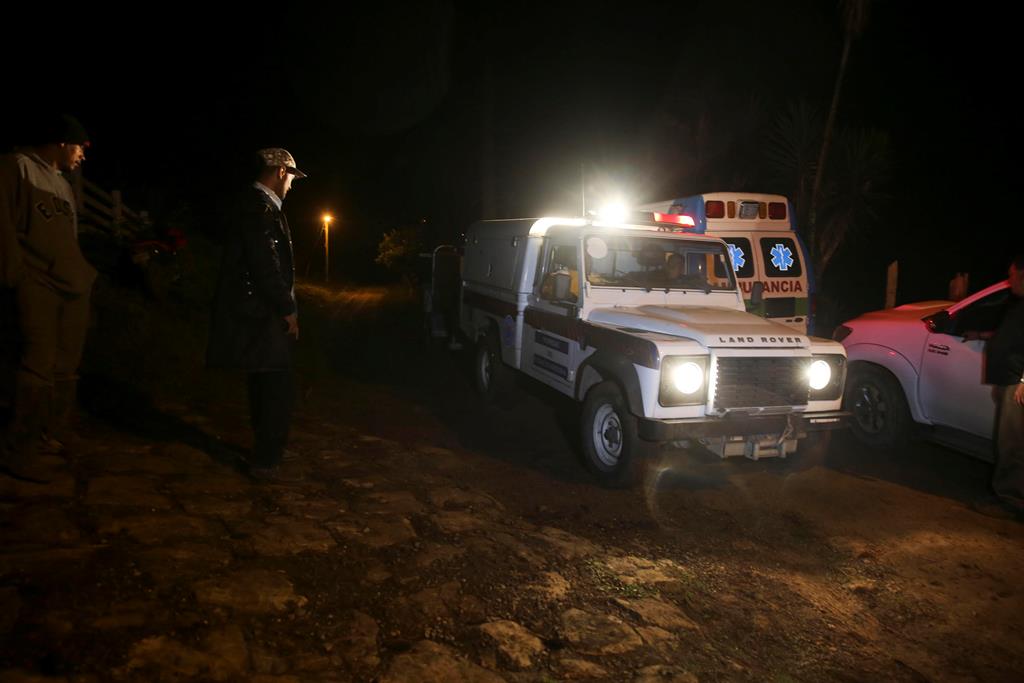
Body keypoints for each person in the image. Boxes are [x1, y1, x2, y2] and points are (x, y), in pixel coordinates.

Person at [0, 114, 96, 481]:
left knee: (66, 364)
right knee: (38, 362)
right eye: (80, 148)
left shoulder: (62, 183)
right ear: (61, 142)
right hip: (36, 280)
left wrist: (84, 274)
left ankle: (52, 435)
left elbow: (69, 236)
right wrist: (13, 274)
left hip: (73, 283)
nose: (82, 157)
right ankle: (18, 451)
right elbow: (3, 222)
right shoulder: (16, 167)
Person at [206, 148, 305, 481]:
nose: (292, 185)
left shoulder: (257, 207)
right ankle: (266, 459)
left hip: (257, 312)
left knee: (265, 383)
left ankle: (266, 453)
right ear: (280, 172)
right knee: (275, 386)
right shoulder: (260, 209)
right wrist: (286, 308)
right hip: (261, 315)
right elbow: (266, 266)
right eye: (291, 177)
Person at [985, 254, 1024, 513]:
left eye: (1011, 276)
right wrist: (980, 335)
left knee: (1012, 443)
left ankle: (1012, 500)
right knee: (1007, 441)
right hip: (1008, 379)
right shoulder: (1019, 304)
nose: (1009, 282)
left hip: (1017, 384)